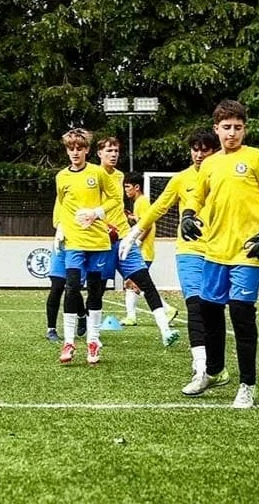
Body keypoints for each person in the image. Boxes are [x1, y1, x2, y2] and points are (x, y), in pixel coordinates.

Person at [180, 100, 259, 409]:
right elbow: (196, 195)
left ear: (244, 129)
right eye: (226, 127)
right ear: (217, 129)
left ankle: (247, 385)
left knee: (240, 314)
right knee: (209, 311)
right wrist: (187, 215)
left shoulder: (255, 158)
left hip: (248, 252)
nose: (232, 133)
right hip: (214, 251)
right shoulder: (210, 164)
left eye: (238, 127)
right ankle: (211, 371)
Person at [119, 129, 219, 387]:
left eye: (204, 149)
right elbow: (158, 208)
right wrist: (133, 234)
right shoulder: (181, 179)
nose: (199, 154)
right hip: (189, 250)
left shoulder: (225, 174)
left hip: (221, 249)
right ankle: (200, 367)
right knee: (195, 304)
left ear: (214, 150)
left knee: (215, 309)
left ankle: (216, 365)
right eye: (195, 149)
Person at [96, 138, 179, 348]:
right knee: (96, 288)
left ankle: (165, 331)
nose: (113, 154)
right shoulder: (91, 176)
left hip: (124, 239)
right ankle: (91, 334)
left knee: (145, 283)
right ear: (99, 153)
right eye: (109, 150)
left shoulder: (120, 176)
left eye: (116, 150)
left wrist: (131, 234)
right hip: (101, 241)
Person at [52, 129, 119, 365]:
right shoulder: (62, 177)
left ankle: (93, 340)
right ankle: (69, 341)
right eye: (71, 148)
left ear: (87, 150)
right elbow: (61, 204)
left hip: (98, 242)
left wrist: (95, 213)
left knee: (94, 290)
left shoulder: (97, 173)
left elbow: (115, 198)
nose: (75, 152)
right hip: (74, 242)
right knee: (71, 288)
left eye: (79, 148)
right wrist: (59, 228)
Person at [120, 170, 153, 325]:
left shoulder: (143, 201)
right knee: (131, 283)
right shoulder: (138, 203)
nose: (126, 190)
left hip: (143, 251)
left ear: (137, 187)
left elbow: (148, 224)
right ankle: (131, 316)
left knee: (132, 283)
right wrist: (133, 219)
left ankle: (166, 310)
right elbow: (141, 222)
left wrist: (137, 242)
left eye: (128, 187)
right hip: (142, 250)